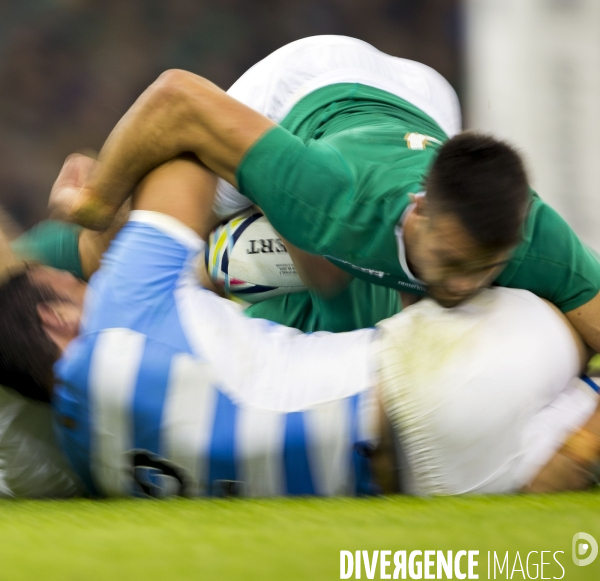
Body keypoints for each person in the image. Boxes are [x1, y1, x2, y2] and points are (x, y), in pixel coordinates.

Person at [0, 157, 597, 498]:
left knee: (564, 482)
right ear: (57, 316)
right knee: (565, 312)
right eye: (76, 285)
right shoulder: (118, 312)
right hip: (421, 383)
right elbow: (181, 154)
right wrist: (105, 206)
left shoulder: (84, 466)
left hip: (422, 483)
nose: (91, 281)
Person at [52, 35, 600, 355]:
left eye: (486, 269)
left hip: (422, 102)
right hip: (305, 85)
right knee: (129, 234)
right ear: (420, 209)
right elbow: (176, 99)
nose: (464, 284)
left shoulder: (531, 236)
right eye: (453, 261)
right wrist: (97, 200)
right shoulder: (330, 194)